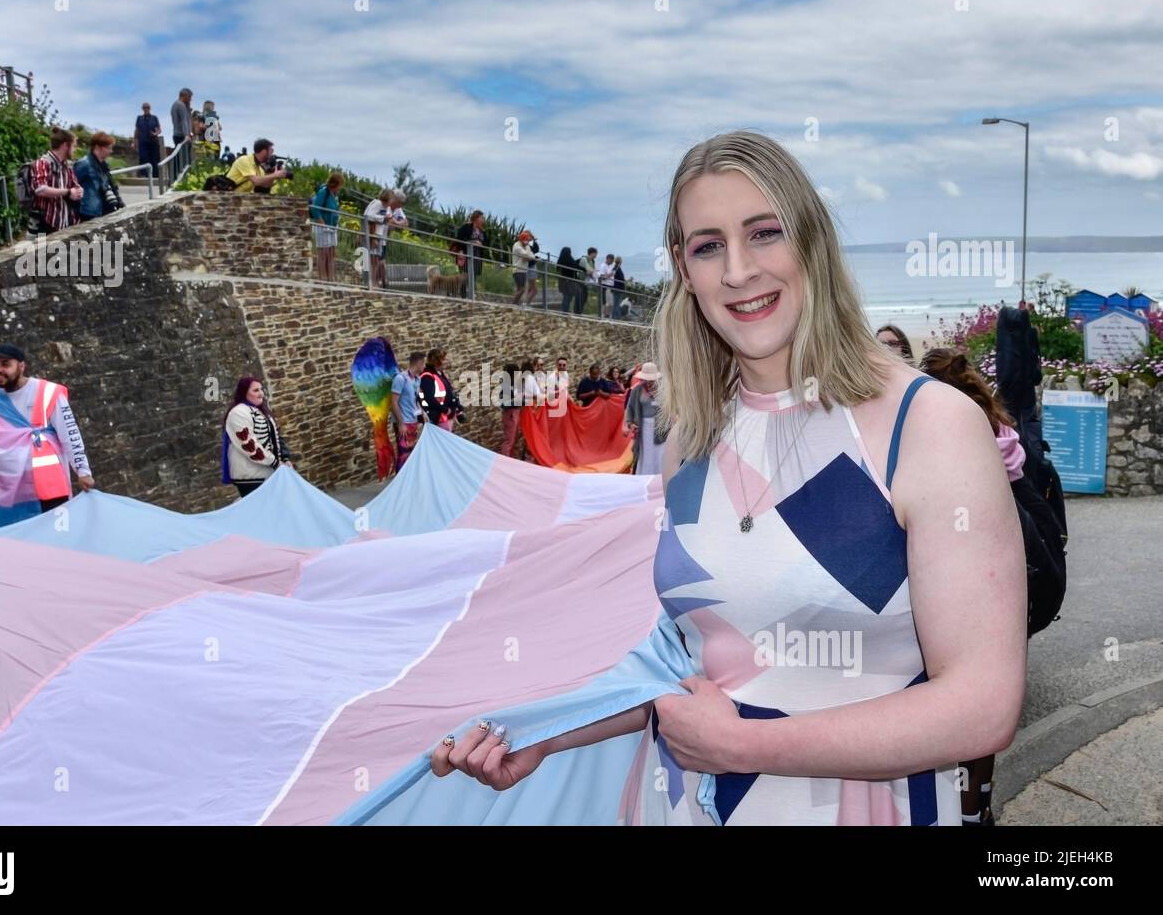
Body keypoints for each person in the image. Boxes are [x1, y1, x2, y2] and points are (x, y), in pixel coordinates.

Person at [430, 130, 1026, 826]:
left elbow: (982, 704)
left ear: (812, 243)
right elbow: (689, 664)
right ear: (685, 270)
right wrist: (542, 736)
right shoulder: (691, 435)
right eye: (707, 245)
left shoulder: (929, 425)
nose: (738, 270)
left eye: (763, 233)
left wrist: (744, 743)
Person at [920, 347, 1067, 825]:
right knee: (984, 702)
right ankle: (976, 803)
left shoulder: (946, 442)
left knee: (955, 703)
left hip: (971, 599)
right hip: (1023, 592)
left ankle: (961, 805)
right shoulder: (1006, 437)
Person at [0, 343, 94, 530]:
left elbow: (69, 433)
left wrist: (83, 471)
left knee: (58, 534)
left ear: (21, 366)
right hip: (11, 488)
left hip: (48, 483)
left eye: (5, 364)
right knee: (21, 539)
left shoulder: (48, 393)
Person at [221, 376, 291, 497]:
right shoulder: (238, 413)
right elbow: (249, 445)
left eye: (261, 389)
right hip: (251, 477)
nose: (261, 394)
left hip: (269, 473)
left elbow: (275, 435)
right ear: (244, 393)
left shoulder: (261, 411)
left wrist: (285, 458)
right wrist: (275, 463)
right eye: (255, 390)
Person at [996, 306, 1044, 462]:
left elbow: (1005, 376)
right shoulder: (1029, 336)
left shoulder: (1005, 341)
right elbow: (1037, 377)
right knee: (1028, 430)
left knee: (1014, 431)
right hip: (1027, 395)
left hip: (1010, 396)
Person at [28, 126, 83, 236]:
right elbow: (40, 189)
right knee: (43, 253)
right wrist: (67, 192)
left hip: (65, 223)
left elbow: (75, 186)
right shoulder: (42, 163)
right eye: (73, 146)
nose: (74, 150)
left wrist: (79, 191)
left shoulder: (66, 167)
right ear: (65, 145)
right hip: (46, 224)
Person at [624, 362, 666, 476]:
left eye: (651, 380)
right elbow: (630, 408)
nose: (649, 382)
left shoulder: (664, 390)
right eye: (646, 379)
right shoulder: (637, 390)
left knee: (660, 453)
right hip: (644, 428)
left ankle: (660, 477)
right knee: (646, 453)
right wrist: (629, 423)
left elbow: (671, 409)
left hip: (661, 429)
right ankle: (645, 476)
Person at [74, 132, 126, 222]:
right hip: (88, 212)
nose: (111, 151)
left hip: (102, 210)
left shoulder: (103, 166)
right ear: (98, 147)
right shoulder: (83, 164)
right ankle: (41, 237)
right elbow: (73, 185)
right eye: (108, 148)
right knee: (42, 235)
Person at [390, 351, 426, 471]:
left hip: (413, 421)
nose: (425, 367)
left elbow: (416, 400)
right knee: (403, 455)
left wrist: (422, 412)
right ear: (419, 363)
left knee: (410, 455)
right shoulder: (400, 379)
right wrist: (400, 424)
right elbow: (393, 402)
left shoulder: (417, 379)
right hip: (403, 423)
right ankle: (400, 486)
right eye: (424, 363)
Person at [417, 348, 464, 431]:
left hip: (446, 416)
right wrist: (446, 410)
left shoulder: (439, 373)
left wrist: (457, 407)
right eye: (444, 359)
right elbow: (429, 398)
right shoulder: (427, 376)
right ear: (437, 361)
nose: (446, 361)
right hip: (438, 418)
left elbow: (449, 392)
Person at [309, 172, 344, 281]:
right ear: (335, 184)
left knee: (331, 253)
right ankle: (323, 278)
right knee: (323, 254)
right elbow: (315, 208)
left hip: (332, 227)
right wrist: (322, 224)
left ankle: (331, 278)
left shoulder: (335, 195)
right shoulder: (324, 192)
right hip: (323, 227)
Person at [225, 138, 292, 194]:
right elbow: (256, 181)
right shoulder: (244, 160)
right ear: (264, 151)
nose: (272, 154)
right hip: (227, 196)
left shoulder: (259, 168)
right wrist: (275, 175)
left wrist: (273, 173)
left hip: (238, 200)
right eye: (271, 151)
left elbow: (265, 186)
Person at [498, 361, 523, 456]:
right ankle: (506, 462)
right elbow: (502, 403)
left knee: (513, 440)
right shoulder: (506, 387)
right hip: (510, 414)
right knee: (509, 441)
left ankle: (511, 460)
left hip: (514, 413)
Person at [454, 211, 486, 280]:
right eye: (481, 217)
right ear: (476, 218)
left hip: (477, 257)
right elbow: (459, 239)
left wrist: (481, 244)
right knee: (463, 277)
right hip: (466, 255)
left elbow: (484, 244)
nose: (483, 219)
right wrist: (461, 250)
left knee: (473, 277)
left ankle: (471, 290)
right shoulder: (466, 227)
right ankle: (463, 290)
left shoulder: (482, 231)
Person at [133, 102, 162, 178]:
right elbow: (137, 130)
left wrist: (155, 133)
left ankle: (155, 176)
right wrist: (135, 141)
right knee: (143, 158)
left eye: (147, 107)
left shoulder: (154, 118)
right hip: (143, 142)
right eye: (144, 107)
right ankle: (144, 175)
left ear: (150, 108)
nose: (146, 109)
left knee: (154, 159)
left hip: (153, 142)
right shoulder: (139, 118)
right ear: (142, 109)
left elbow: (159, 130)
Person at [511, 230, 538, 305]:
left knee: (520, 288)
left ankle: (515, 304)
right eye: (526, 240)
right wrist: (529, 255)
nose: (527, 242)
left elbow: (532, 255)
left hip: (523, 270)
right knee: (522, 289)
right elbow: (527, 255)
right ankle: (513, 304)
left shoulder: (526, 246)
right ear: (522, 239)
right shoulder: (517, 246)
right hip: (517, 270)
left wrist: (530, 255)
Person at [556, 246, 581, 313]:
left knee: (565, 297)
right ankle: (565, 311)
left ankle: (565, 310)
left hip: (562, 281)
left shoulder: (560, 260)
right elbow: (574, 269)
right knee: (568, 297)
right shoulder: (570, 260)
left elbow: (558, 269)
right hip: (570, 282)